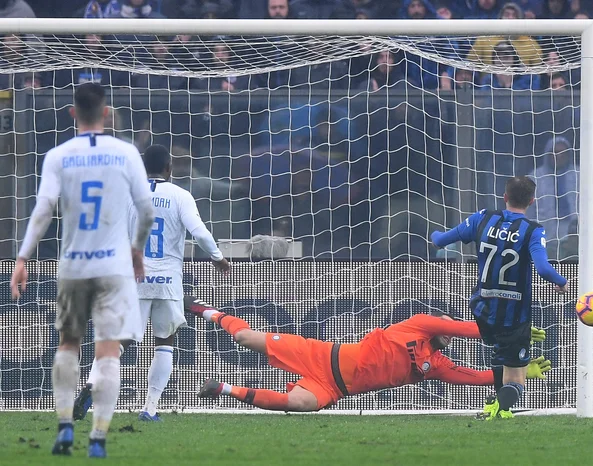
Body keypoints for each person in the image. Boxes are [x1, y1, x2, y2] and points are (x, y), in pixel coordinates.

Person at [10, 82, 155, 457]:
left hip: (74, 266)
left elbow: (43, 210)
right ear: (107, 113)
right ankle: (98, 438)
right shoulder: (125, 152)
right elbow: (146, 209)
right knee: (108, 350)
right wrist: (137, 250)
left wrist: (23, 258)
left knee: (68, 344)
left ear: (73, 113)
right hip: (114, 266)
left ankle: (63, 428)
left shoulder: (60, 155)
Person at [73, 144, 232, 422]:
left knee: (118, 340)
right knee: (165, 342)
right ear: (169, 169)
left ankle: (93, 381)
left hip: (134, 278)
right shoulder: (181, 196)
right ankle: (150, 408)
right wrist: (218, 257)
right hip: (168, 282)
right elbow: (200, 233)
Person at [186, 296, 551, 412]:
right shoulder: (420, 323)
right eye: (446, 324)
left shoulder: (435, 365)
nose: (448, 329)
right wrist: (512, 331)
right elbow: (470, 328)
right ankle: (208, 311)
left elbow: (473, 377)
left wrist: (517, 374)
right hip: (321, 355)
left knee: (297, 404)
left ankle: (224, 390)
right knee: (248, 339)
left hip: (336, 389)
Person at [431, 175, 568, 420]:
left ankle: (497, 407)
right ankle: (500, 405)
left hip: (483, 308)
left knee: (500, 353)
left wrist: (433, 234)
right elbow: (544, 269)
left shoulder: (483, 218)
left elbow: (441, 241)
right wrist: (562, 282)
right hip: (515, 315)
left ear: (505, 197)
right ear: (532, 201)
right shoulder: (533, 230)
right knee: (517, 379)